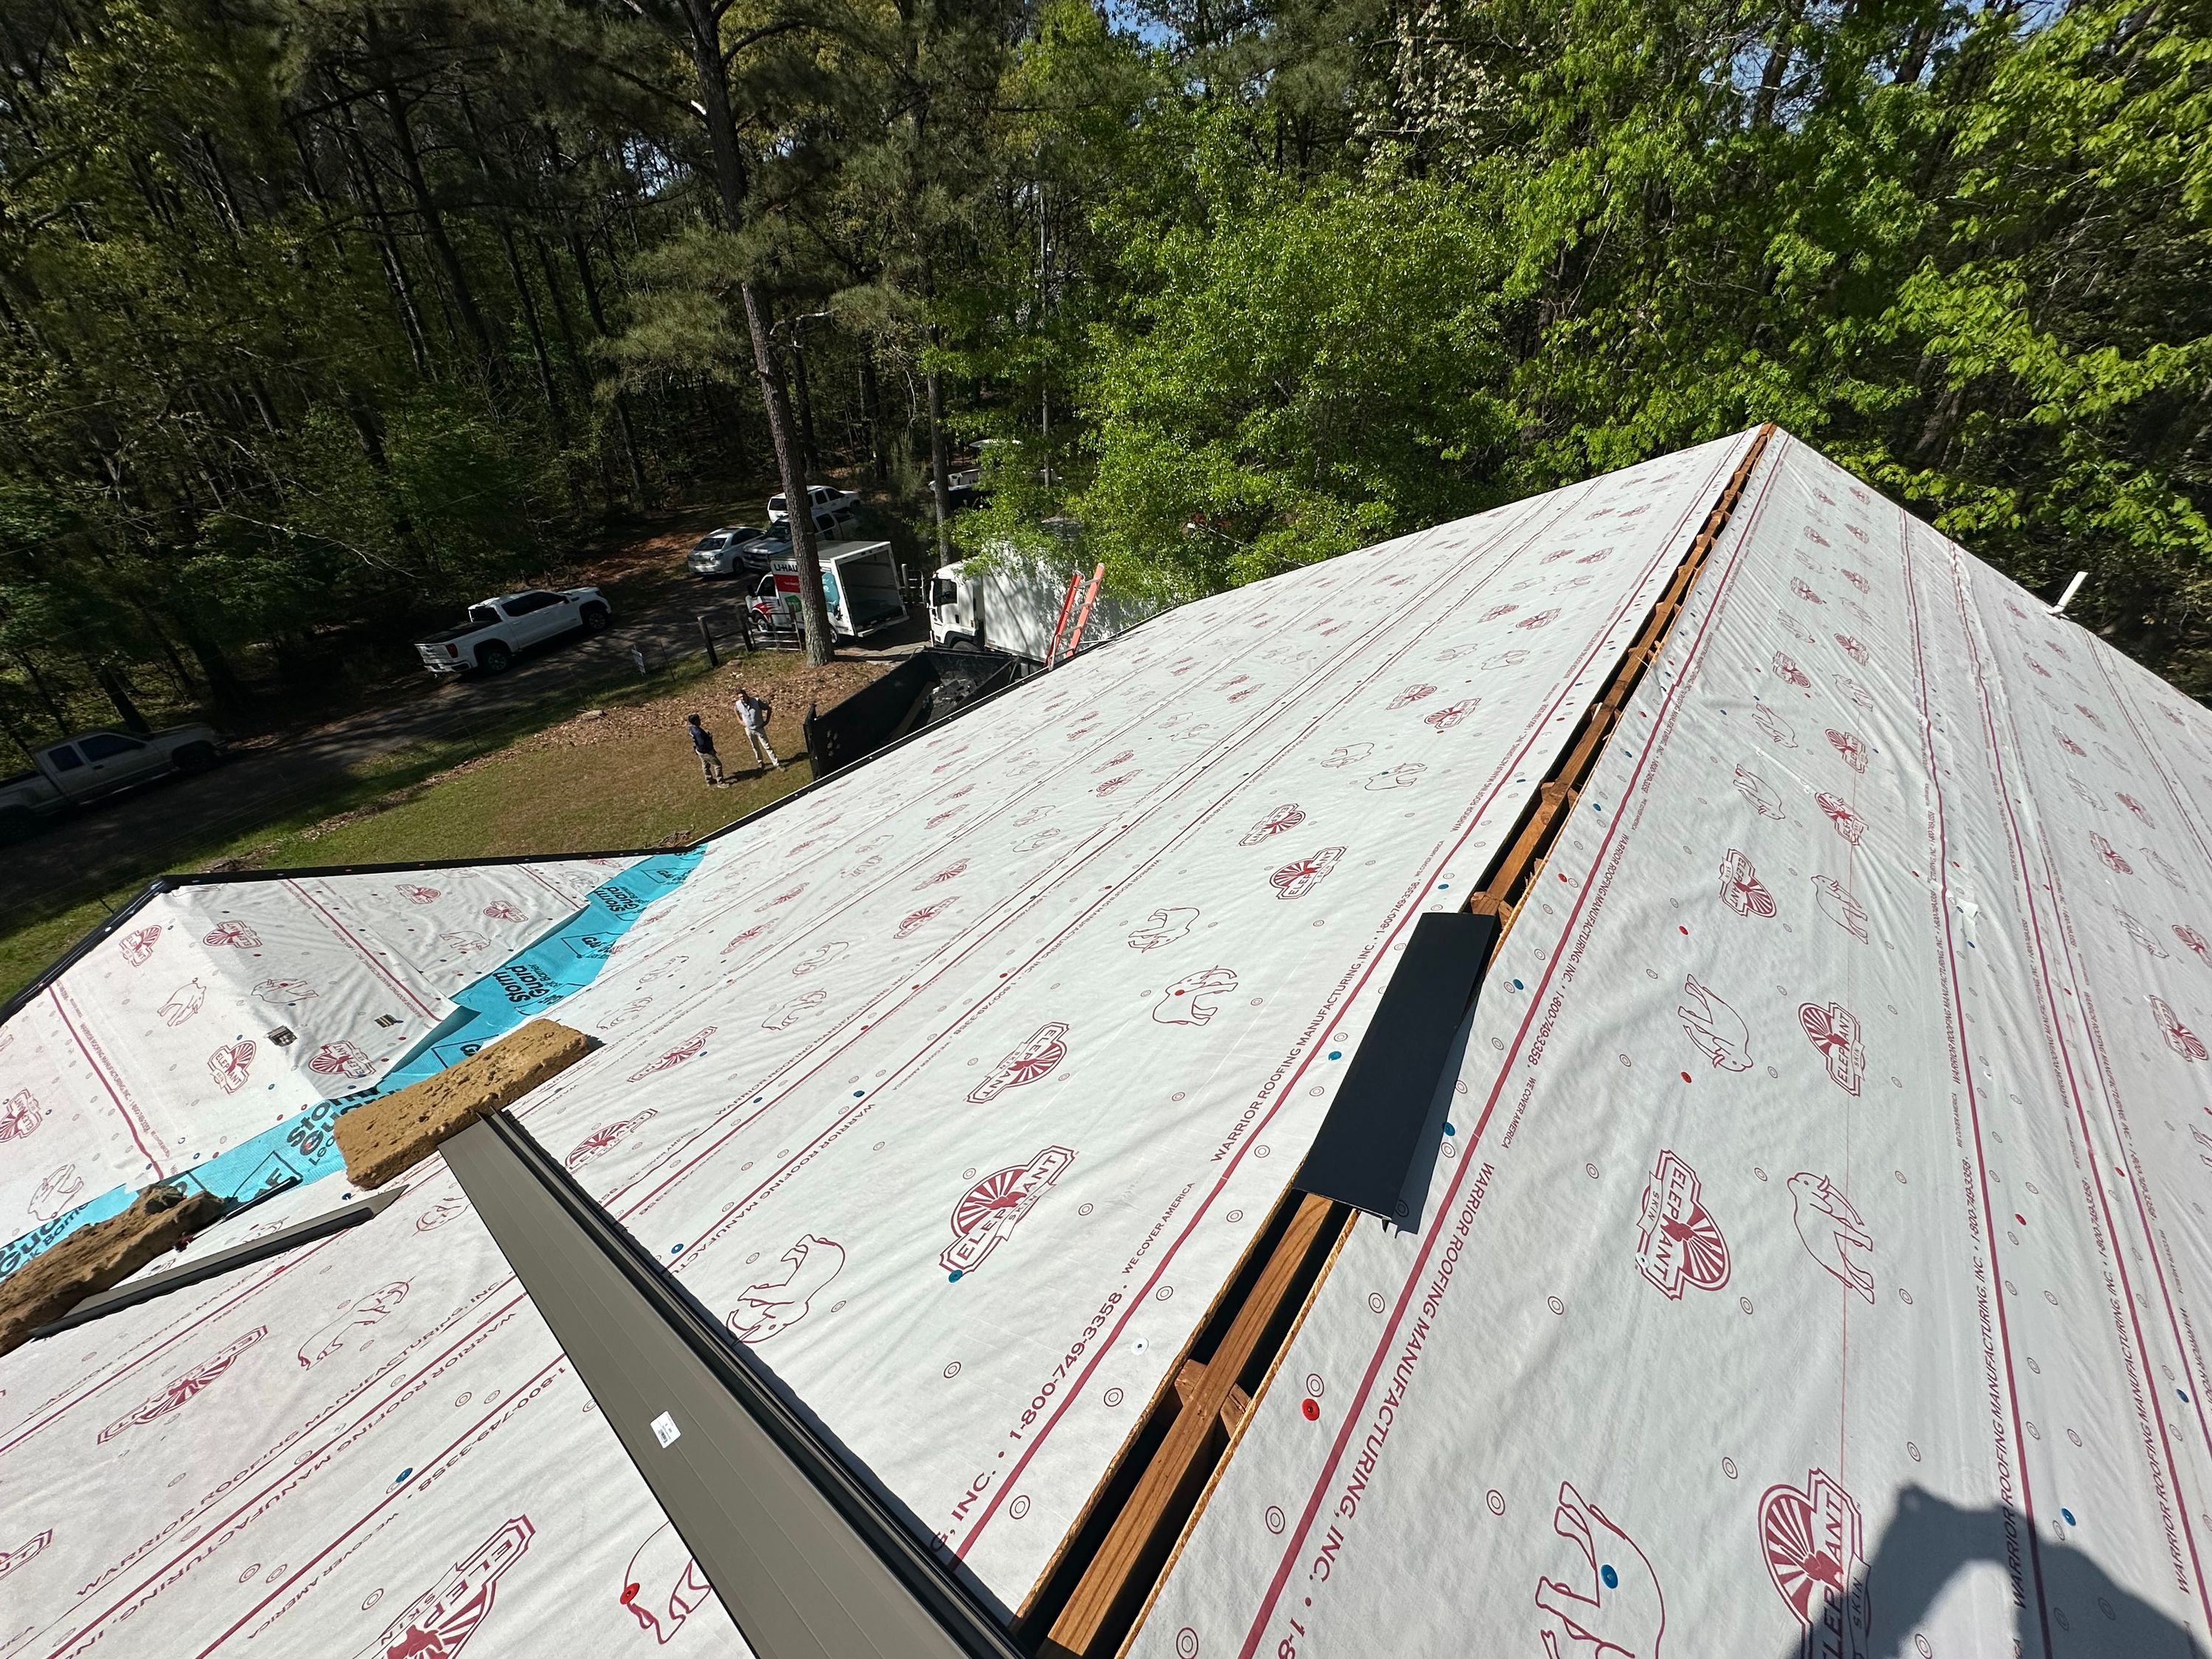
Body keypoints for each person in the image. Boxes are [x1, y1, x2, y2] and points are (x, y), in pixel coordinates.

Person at [733, 686, 781, 771]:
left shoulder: (756, 701)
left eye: (743, 696)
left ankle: (776, 764)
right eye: (740, 697)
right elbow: (736, 711)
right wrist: (740, 721)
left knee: (767, 746)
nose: (742, 698)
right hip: (749, 729)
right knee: (755, 746)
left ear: (746, 695)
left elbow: (768, 709)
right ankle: (760, 762)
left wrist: (767, 721)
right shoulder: (738, 704)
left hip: (759, 727)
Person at [685, 714, 726, 785]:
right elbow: (702, 744)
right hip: (705, 752)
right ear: (695, 721)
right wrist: (709, 738)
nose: (700, 721)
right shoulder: (698, 732)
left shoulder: (692, 729)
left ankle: (709, 780)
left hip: (699, 750)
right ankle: (721, 782)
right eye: (698, 720)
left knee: (705, 765)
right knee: (718, 765)